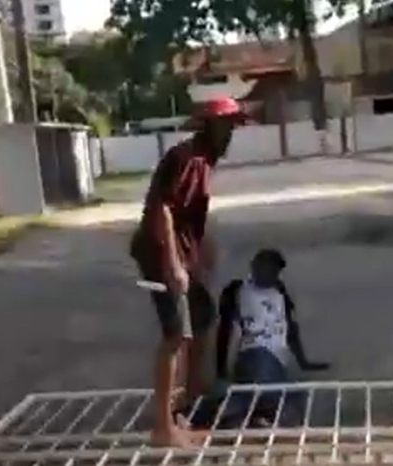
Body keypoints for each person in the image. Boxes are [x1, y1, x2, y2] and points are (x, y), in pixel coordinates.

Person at [129, 97, 244, 447]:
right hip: (159, 255)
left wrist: (202, 245)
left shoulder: (205, 159)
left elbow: (188, 213)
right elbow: (161, 208)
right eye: (225, 128)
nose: (230, 135)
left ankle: (188, 402)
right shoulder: (184, 157)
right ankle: (163, 428)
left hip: (183, 253)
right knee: (175, 335)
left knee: (204, 319)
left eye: (232, 128)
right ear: (208, 128)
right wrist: (173, 265)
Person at [209, 249, 330, 427]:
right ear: (254, 266)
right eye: (266, 267)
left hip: (277, 361)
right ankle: (241, 413)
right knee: (266, 387)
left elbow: (290, 328)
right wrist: (221, 370)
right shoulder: (238, 290)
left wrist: (303, 362)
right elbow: (225, 330)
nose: (272, 274)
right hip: (254, 353)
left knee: (296, 396)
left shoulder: (280, 292)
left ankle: (243, 415)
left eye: (275, 270)